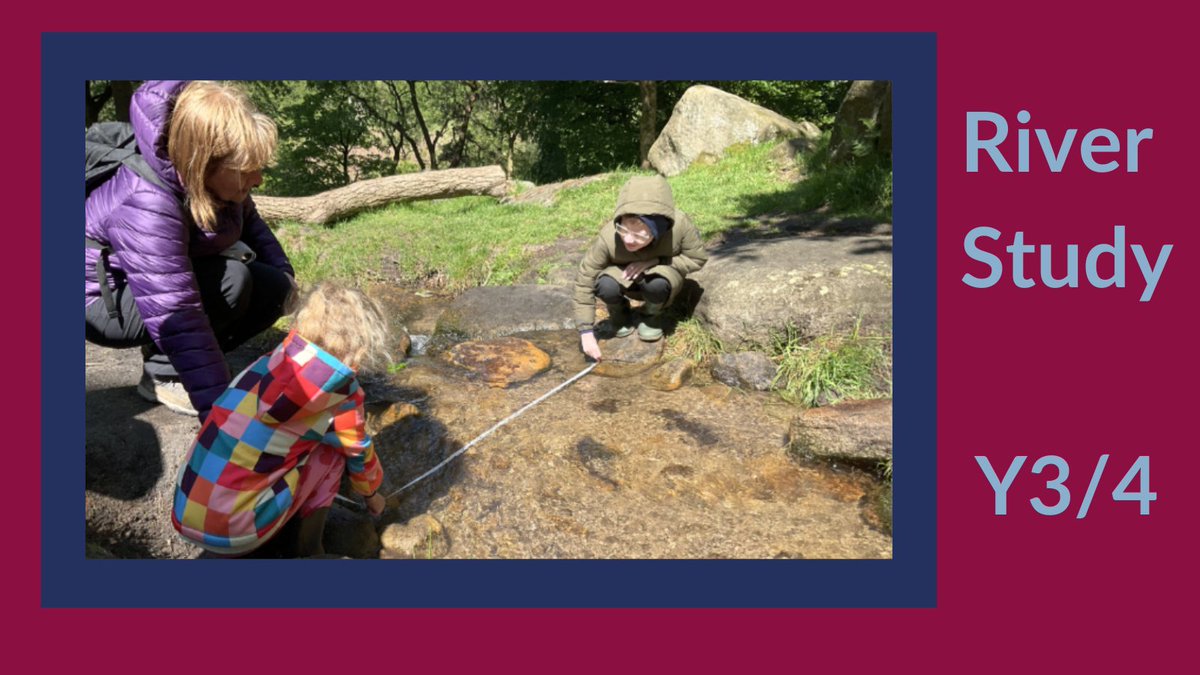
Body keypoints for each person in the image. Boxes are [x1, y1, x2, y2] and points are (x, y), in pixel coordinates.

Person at [85, 80, 297, 420]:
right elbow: (178, 312)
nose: (257, 179)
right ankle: (163, 374)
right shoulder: (146, 201)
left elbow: (255, 228)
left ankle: (185, 361)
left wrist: (291, 283)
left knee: (277, 289)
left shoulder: (216, 181)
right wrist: (220, 416)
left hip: (154, 284)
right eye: (246, 170)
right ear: (204, 162)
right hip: (103, 299)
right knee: (233, 280)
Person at [171, 283, 391, 557]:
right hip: (238, 531)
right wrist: (372, 495)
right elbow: (358, 452)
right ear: (362, 345)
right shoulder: (343, 396)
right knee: (332, 455)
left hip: (184, 512)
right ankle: (310, 548)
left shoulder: (267, 364)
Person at [573, 175, 708, 361]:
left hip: (661, 274)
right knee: (604, 285)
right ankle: (620, 314)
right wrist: (585, 331)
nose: (628, 239)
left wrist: (657, 261)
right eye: (623, 230)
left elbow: (697, 258)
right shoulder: (608, 235)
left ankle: (652, 315)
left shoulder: (680, 226)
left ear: (658, 231)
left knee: (657, 285)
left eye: (638, 234)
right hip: (623, 275)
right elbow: (585, 278)